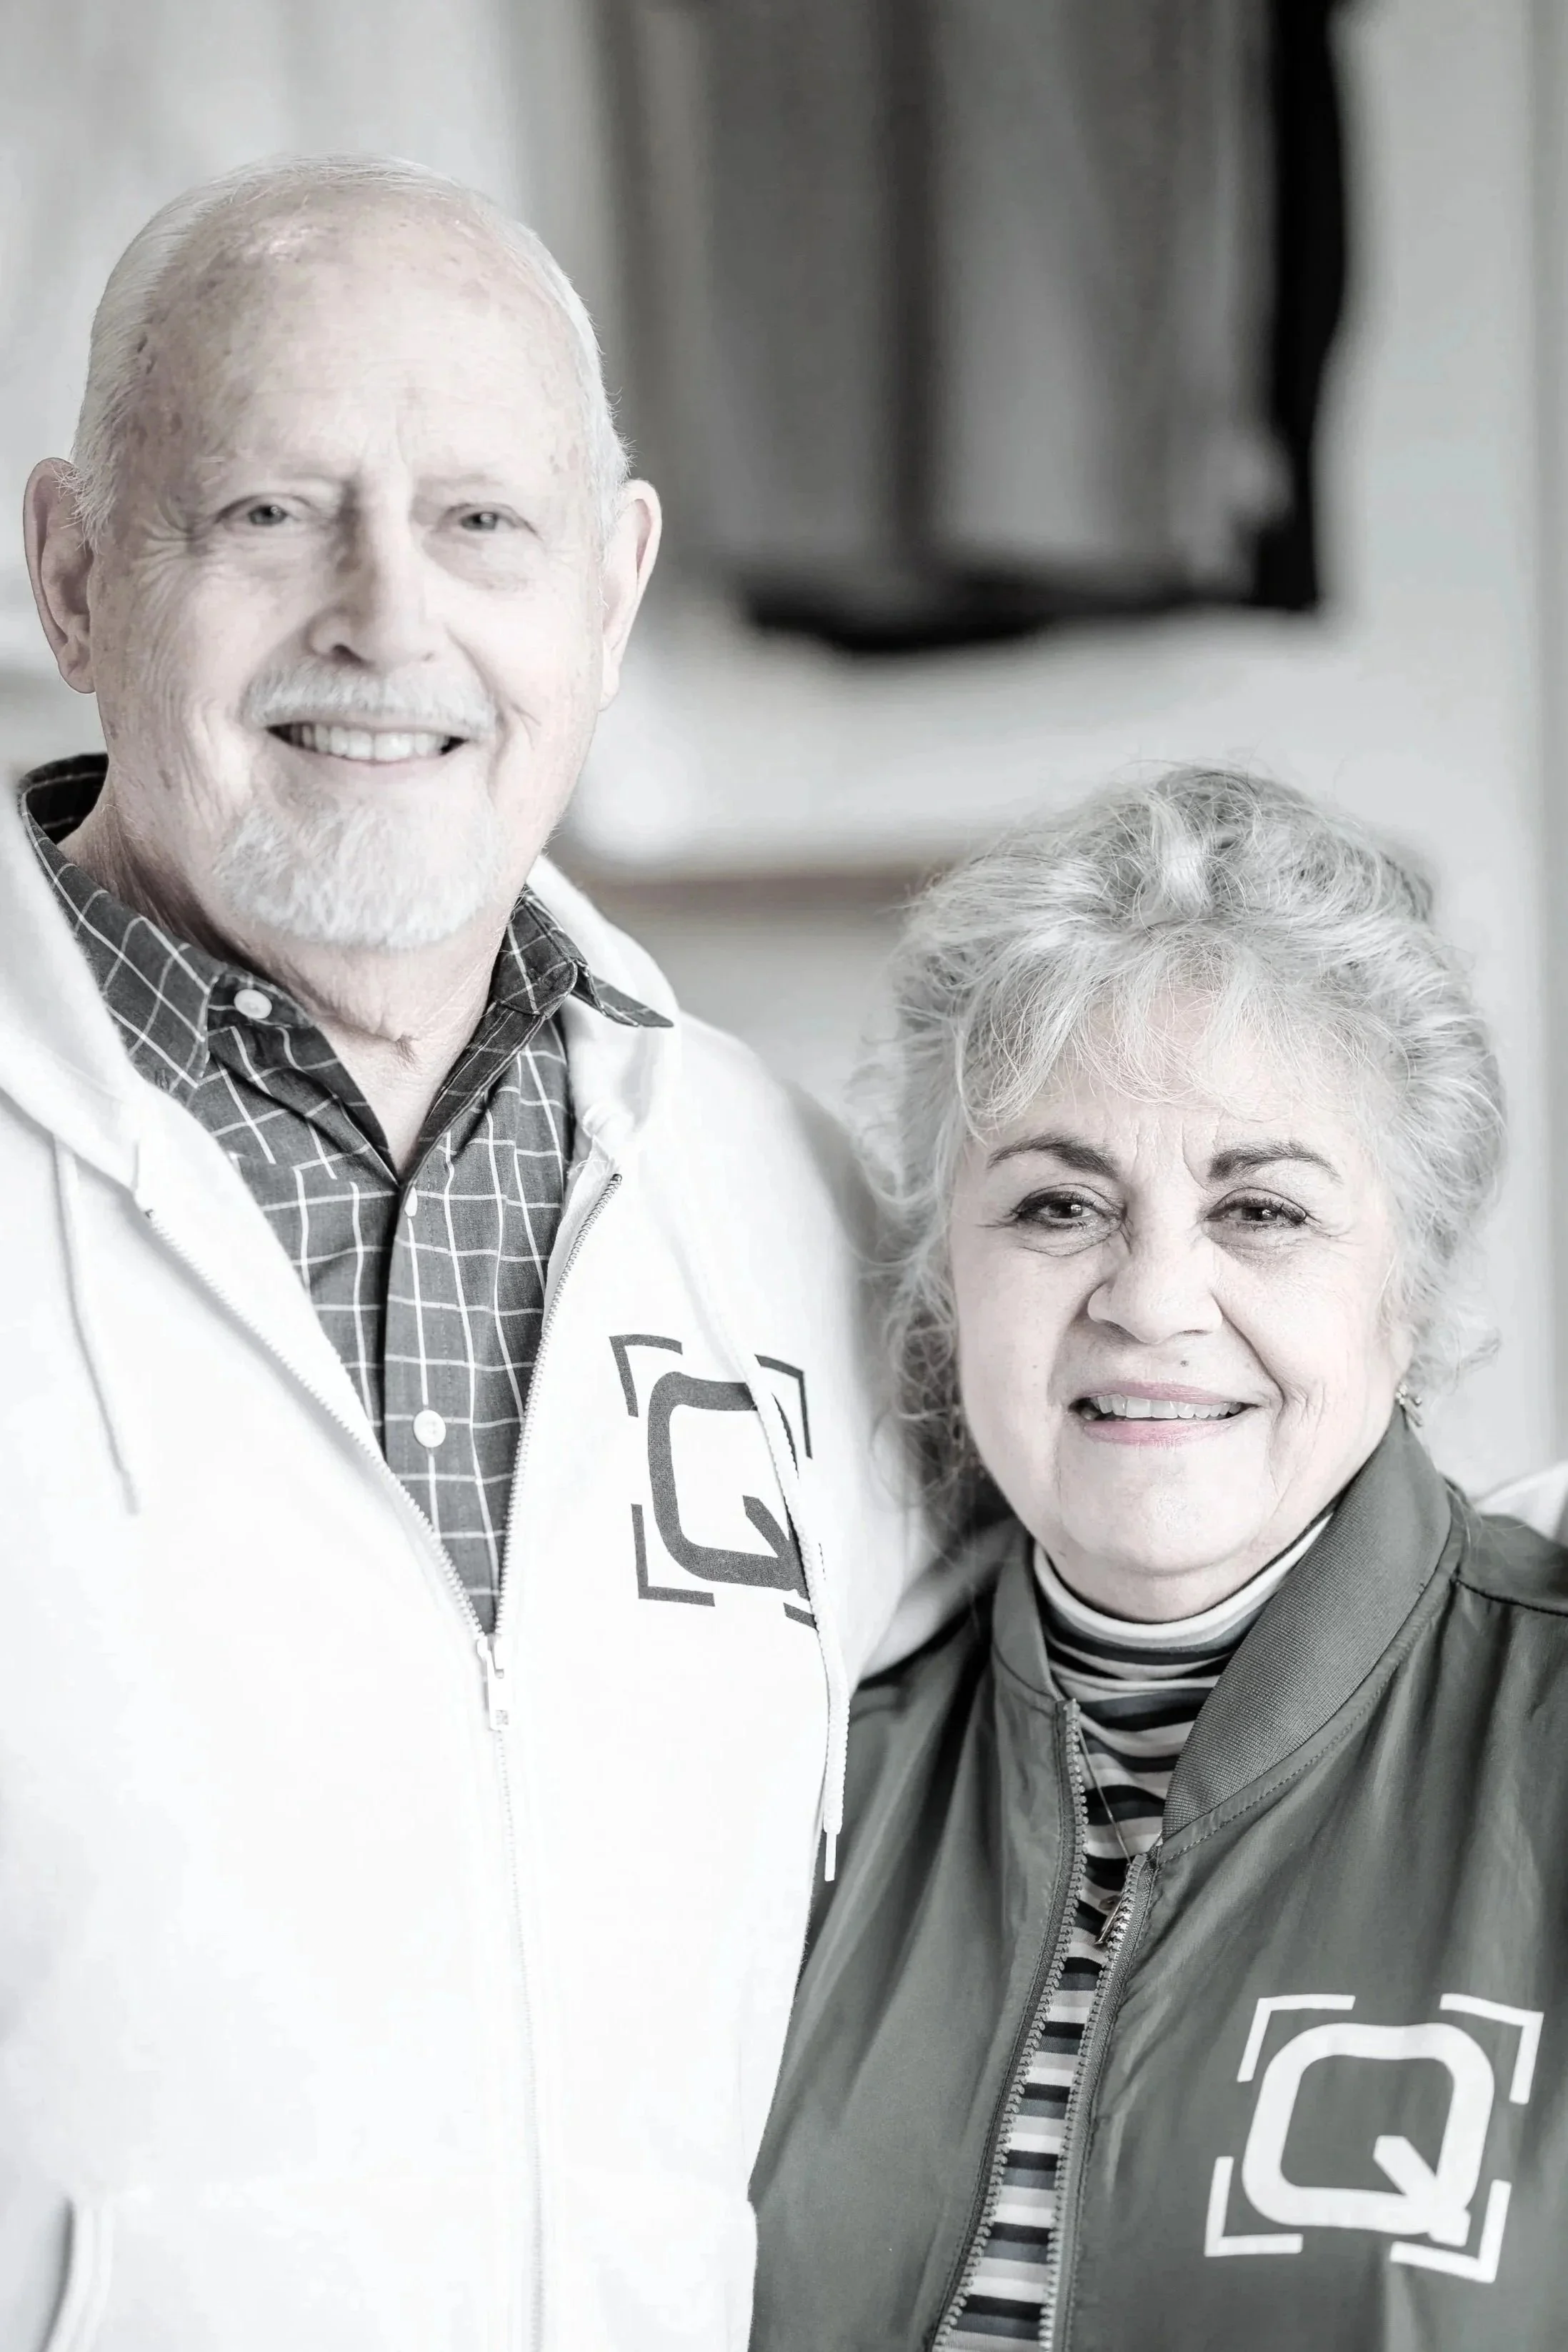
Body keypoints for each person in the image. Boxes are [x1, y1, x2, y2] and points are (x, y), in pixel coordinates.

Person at [6, 155, 942, 2352]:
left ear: (607, 593)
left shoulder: (795, 1214)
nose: (386, 620)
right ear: (73, 568)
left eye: (480, 525)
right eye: (266, 514)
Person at [750, 768, 1568, 2351]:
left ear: (1405, 1291)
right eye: (1057, 1203)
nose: (1152, 1297)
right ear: (942, 1284)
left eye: (1258, 1206)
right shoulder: (793, 1758)